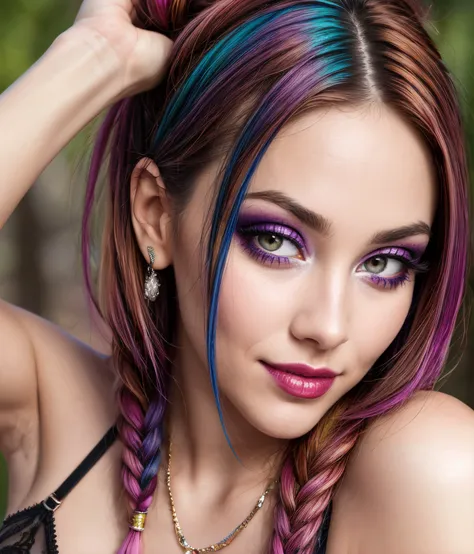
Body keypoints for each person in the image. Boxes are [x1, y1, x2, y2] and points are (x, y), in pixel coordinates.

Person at [0, 0, 473, 552]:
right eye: (276, 241)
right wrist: (97, 57)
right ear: (157, 215)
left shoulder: (427, 466)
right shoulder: (53, 406)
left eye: (384, 263)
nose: (328, 326)